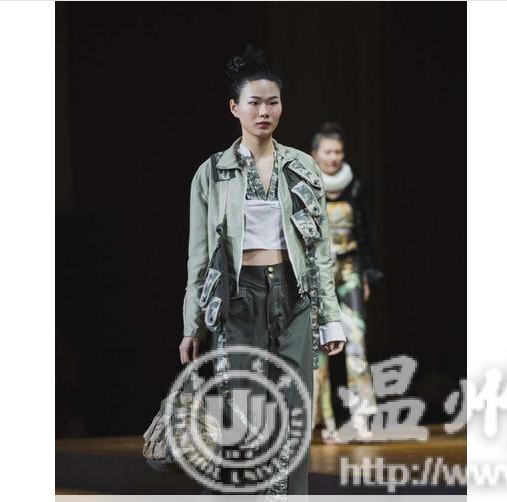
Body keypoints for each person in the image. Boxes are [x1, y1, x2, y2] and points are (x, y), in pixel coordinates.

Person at [178, 45, 347, 496]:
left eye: (272, 102)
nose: (264, 111)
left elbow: (319, 249)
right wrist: (192, 324)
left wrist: (330, 316)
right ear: (235, 108)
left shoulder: (302, 167)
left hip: (293, 295)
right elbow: (199, 258)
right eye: (254, 102)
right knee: (245, 412)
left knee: (295, 411)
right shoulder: (212, 173)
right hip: (238, 299)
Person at [310, 122, 384, 443]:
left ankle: (361, 416)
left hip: (350, 269)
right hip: (318, 274)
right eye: (328, 152)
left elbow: (366, 234)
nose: (333, 157)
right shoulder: (306, 185)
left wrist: (366, 275)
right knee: (318, 348)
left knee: (356, 341)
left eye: (338, 151)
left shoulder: (354, 187)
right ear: (315, 154)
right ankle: (324, 421)